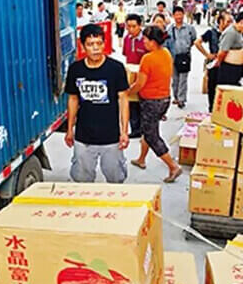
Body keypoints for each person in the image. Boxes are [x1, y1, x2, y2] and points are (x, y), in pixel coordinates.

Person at [63, 24, 130, 183]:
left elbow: (123, 100)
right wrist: (70, 129)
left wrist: (124, 131)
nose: (95, 48)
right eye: (90, 44)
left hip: (111, 136)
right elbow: (73, 99)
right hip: (83, 136)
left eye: (99, 43)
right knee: (82, 179)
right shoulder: (75, 70)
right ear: (82, 46)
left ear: (104, 44)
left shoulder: (116, 68)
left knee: (116, 178)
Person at [128, 26, 183, 183]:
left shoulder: (148, 58)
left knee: (151, 136)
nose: (143, 42)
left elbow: (140, 84)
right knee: (149, 128)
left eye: (145, 39)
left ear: (153, 41)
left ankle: (173, 166)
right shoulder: (166, 53)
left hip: (151, 101)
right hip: (164, 99)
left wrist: (127, 92)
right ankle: (141, 159)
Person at [195, 11, 232, 111]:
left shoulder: (231, 33)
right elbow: (197, 42)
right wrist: (207, 55)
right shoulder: (211, 32)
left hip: (227, 65)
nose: (230, 24)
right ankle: (212, 110)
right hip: (215, 65)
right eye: (228, 21)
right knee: (212, 89)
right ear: (221, 21)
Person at [166, 6, 197, 109]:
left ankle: (181, 99)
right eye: (176, 14)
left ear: (183, 15)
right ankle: (176, 96)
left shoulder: (189, 28)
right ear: (173, 16)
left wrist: (187, 48)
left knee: (183, 79)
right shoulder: (169, 29)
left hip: (185, 56)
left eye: (180, 14)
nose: (178, 16)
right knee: (175, 79)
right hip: (172, 57)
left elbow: (194, 39)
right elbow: (166, 43)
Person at [123, 14, 147, 139]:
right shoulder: (127, 39)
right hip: (131, 73)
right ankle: (135, 129)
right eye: (129, 27)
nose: (131, 29)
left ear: (140, 26)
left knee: (142, 102)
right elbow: (126, 55)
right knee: (132, 102)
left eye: (134, 26)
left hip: (144, 74)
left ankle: (144, 128)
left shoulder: (146, 40)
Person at [215, 10, 243, 86]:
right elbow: (222, 51)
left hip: (236, 68)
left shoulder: (238, 31)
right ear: (241, 22)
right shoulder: (230, 32)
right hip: (229, 69)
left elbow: (240, 40)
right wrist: (219, 63)